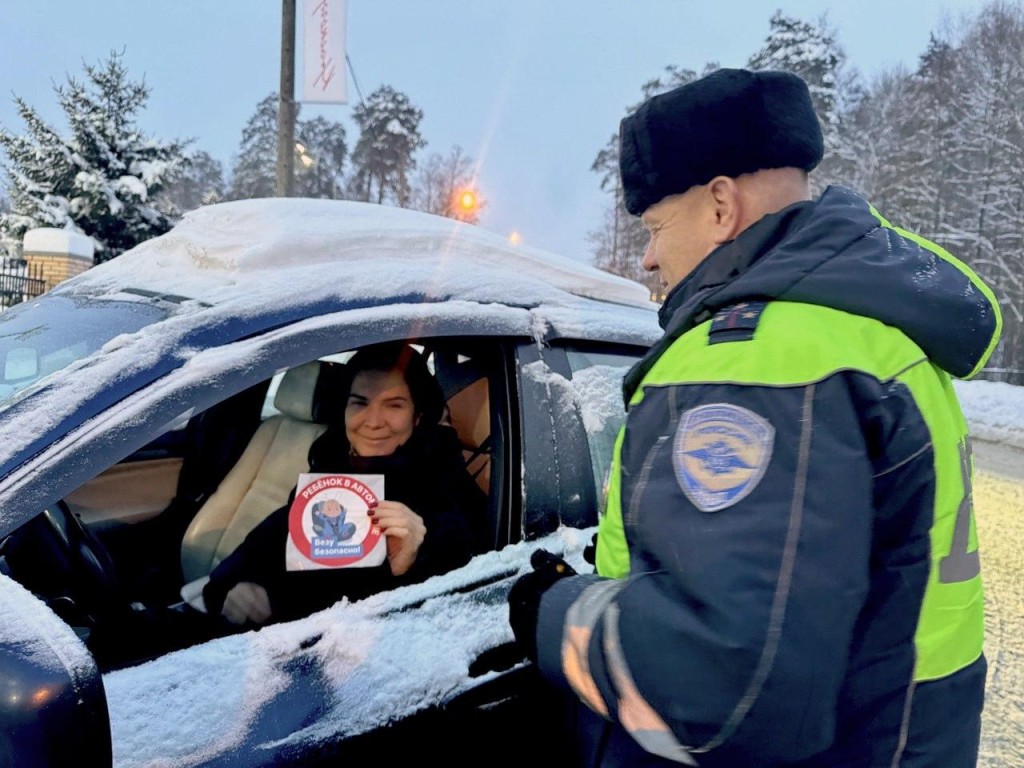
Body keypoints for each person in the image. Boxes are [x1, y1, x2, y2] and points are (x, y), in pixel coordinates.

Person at [508, 68, 1001, 767]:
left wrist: (555, 615)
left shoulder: (757, 360)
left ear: (718, 206)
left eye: (653, 226)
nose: (647, 256)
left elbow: (722, 687)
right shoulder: (872, 333)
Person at [203, 341, 487, 627]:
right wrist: (240, 586)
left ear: (417, 416)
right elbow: (271, 539)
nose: (373, 422)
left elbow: (467, 590)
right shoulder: (331, 466)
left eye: (394, 405)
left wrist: (417, 556)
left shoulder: (442, 479)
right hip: (283, 638)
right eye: (360, 403)